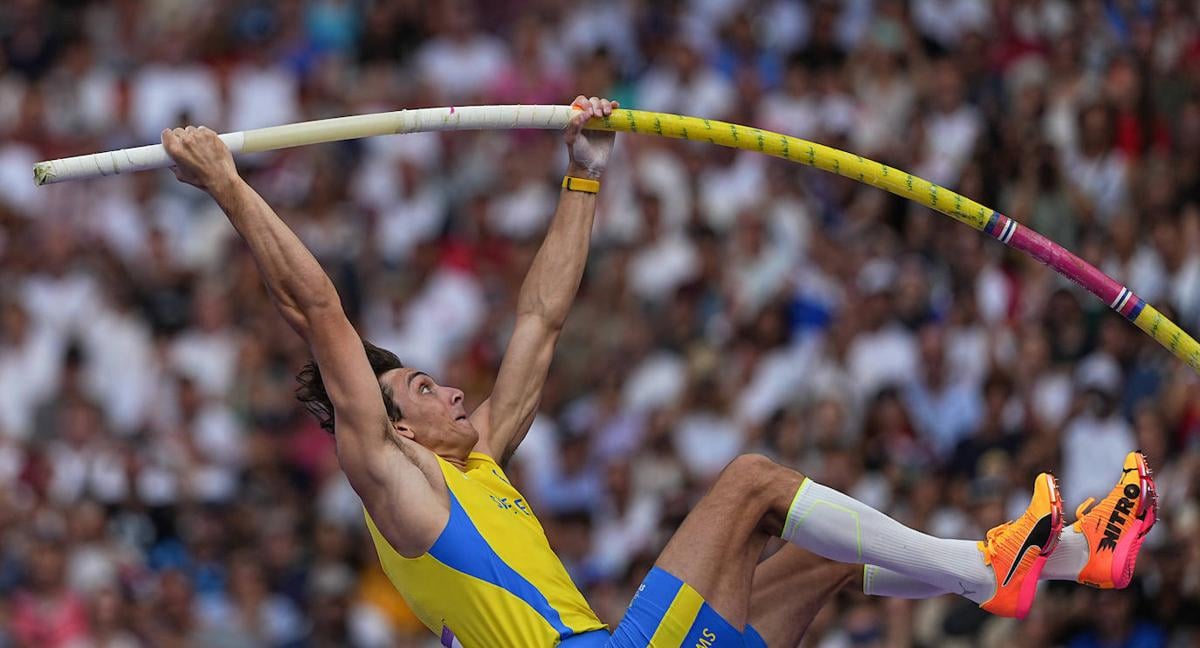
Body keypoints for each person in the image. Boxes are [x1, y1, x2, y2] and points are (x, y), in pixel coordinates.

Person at [160, 95, 1159, 648]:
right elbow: (318, 308)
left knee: (818, 558)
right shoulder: (402, 490)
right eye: (423, 390)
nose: (451, 388)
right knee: (753, 483)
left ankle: (1075, 558)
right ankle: (994, 576)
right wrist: (228, 186)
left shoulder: (477, 466)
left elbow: (543, 318)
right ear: (397, 430)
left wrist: (583, 172)